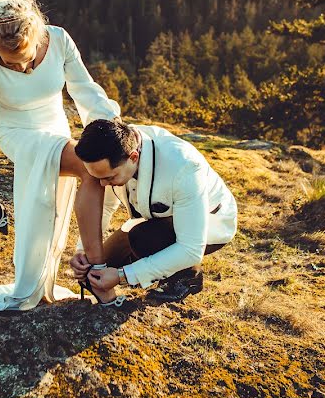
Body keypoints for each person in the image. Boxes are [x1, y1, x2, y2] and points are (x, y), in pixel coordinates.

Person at [0, 0, 120, 312]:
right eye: (10, 62)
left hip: (55, 124)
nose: (21, 67)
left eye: (26, 57)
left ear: (37, 35)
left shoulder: (59, 40)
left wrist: (110, 127)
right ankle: (94, 271)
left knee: (100, 178)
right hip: (17, 133)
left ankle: (83, 263)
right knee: (89, 169)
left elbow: (83, 89)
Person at [70, 119, 238, 303]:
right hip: (150, 220)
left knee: (143, 239)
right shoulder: (114, 148)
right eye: (97, 178)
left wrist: (122, 275)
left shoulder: (184, 166)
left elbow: (190, 248)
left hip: (209, 222)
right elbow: (105, 206)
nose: (102, 185)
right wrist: (83, 250)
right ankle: (155, 263)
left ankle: (187, 276)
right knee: (98, 266)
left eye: (109, 178)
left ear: (133, 157)